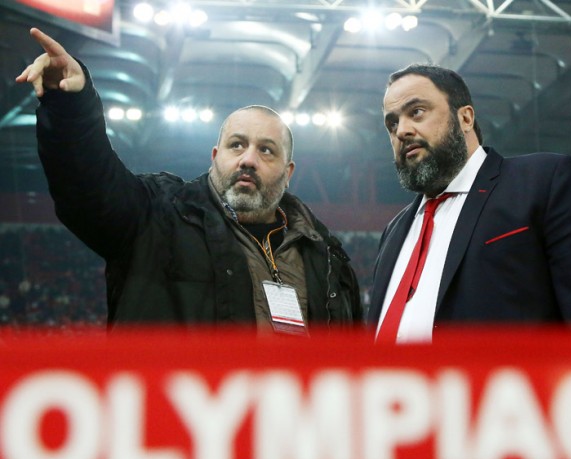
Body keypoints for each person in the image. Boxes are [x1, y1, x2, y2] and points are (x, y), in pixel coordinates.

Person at [16, 28, 362, 333]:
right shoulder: (156, 217)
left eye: (267, 150)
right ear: (215, 157)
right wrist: (71, 106)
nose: (248, 159)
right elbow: (88, 188)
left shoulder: (327, 258)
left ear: (288, 173)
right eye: (237, 145)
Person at [369, 64, 571, 344]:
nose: (402, 131)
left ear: (465, 118)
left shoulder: (548, 182)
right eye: (392, 124)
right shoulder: (393, 232)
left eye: (416, 112)